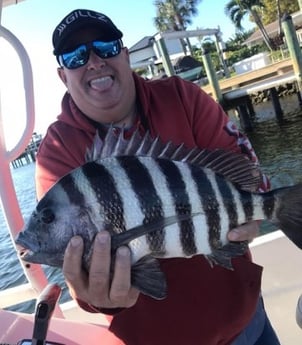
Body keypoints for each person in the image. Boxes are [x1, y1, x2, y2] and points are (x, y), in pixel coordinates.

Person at [35, 8, 281, 345]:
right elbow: (82, 283)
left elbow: (250, 178)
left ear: (124, 54)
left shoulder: (182, 97)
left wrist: (255, 211)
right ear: (63, 75)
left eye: (105, 46)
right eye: (75, 56)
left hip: (246, 323)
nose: (94, 61)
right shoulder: (57, 151)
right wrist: (94, 296)